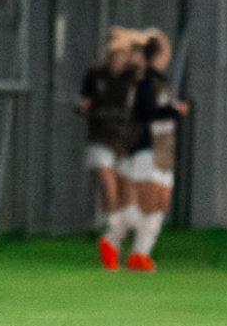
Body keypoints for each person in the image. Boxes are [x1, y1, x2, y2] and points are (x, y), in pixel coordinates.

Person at [112, 28, 187, 272]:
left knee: (161, 204)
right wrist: (174, 111)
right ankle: (113, 237)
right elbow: (145, 113)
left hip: (164, 149)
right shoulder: (146, 81)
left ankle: (140, 254)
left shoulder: (159, 82)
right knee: (148, 205)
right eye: (166, 52)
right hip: (147, 148)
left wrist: (171, 109)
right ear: (160, 55)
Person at [80, 29, 143, 270]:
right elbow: (85, 99)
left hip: (125, 140)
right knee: (109, 190)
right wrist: (83, 107)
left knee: (127, 198)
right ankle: (110, 245)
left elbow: (149, 44)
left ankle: (113, 241)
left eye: (119, 51)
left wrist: (128, 36)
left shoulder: (133, 76)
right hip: (100, 137)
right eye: (111, 50)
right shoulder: (95, 74)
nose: (113, 54)